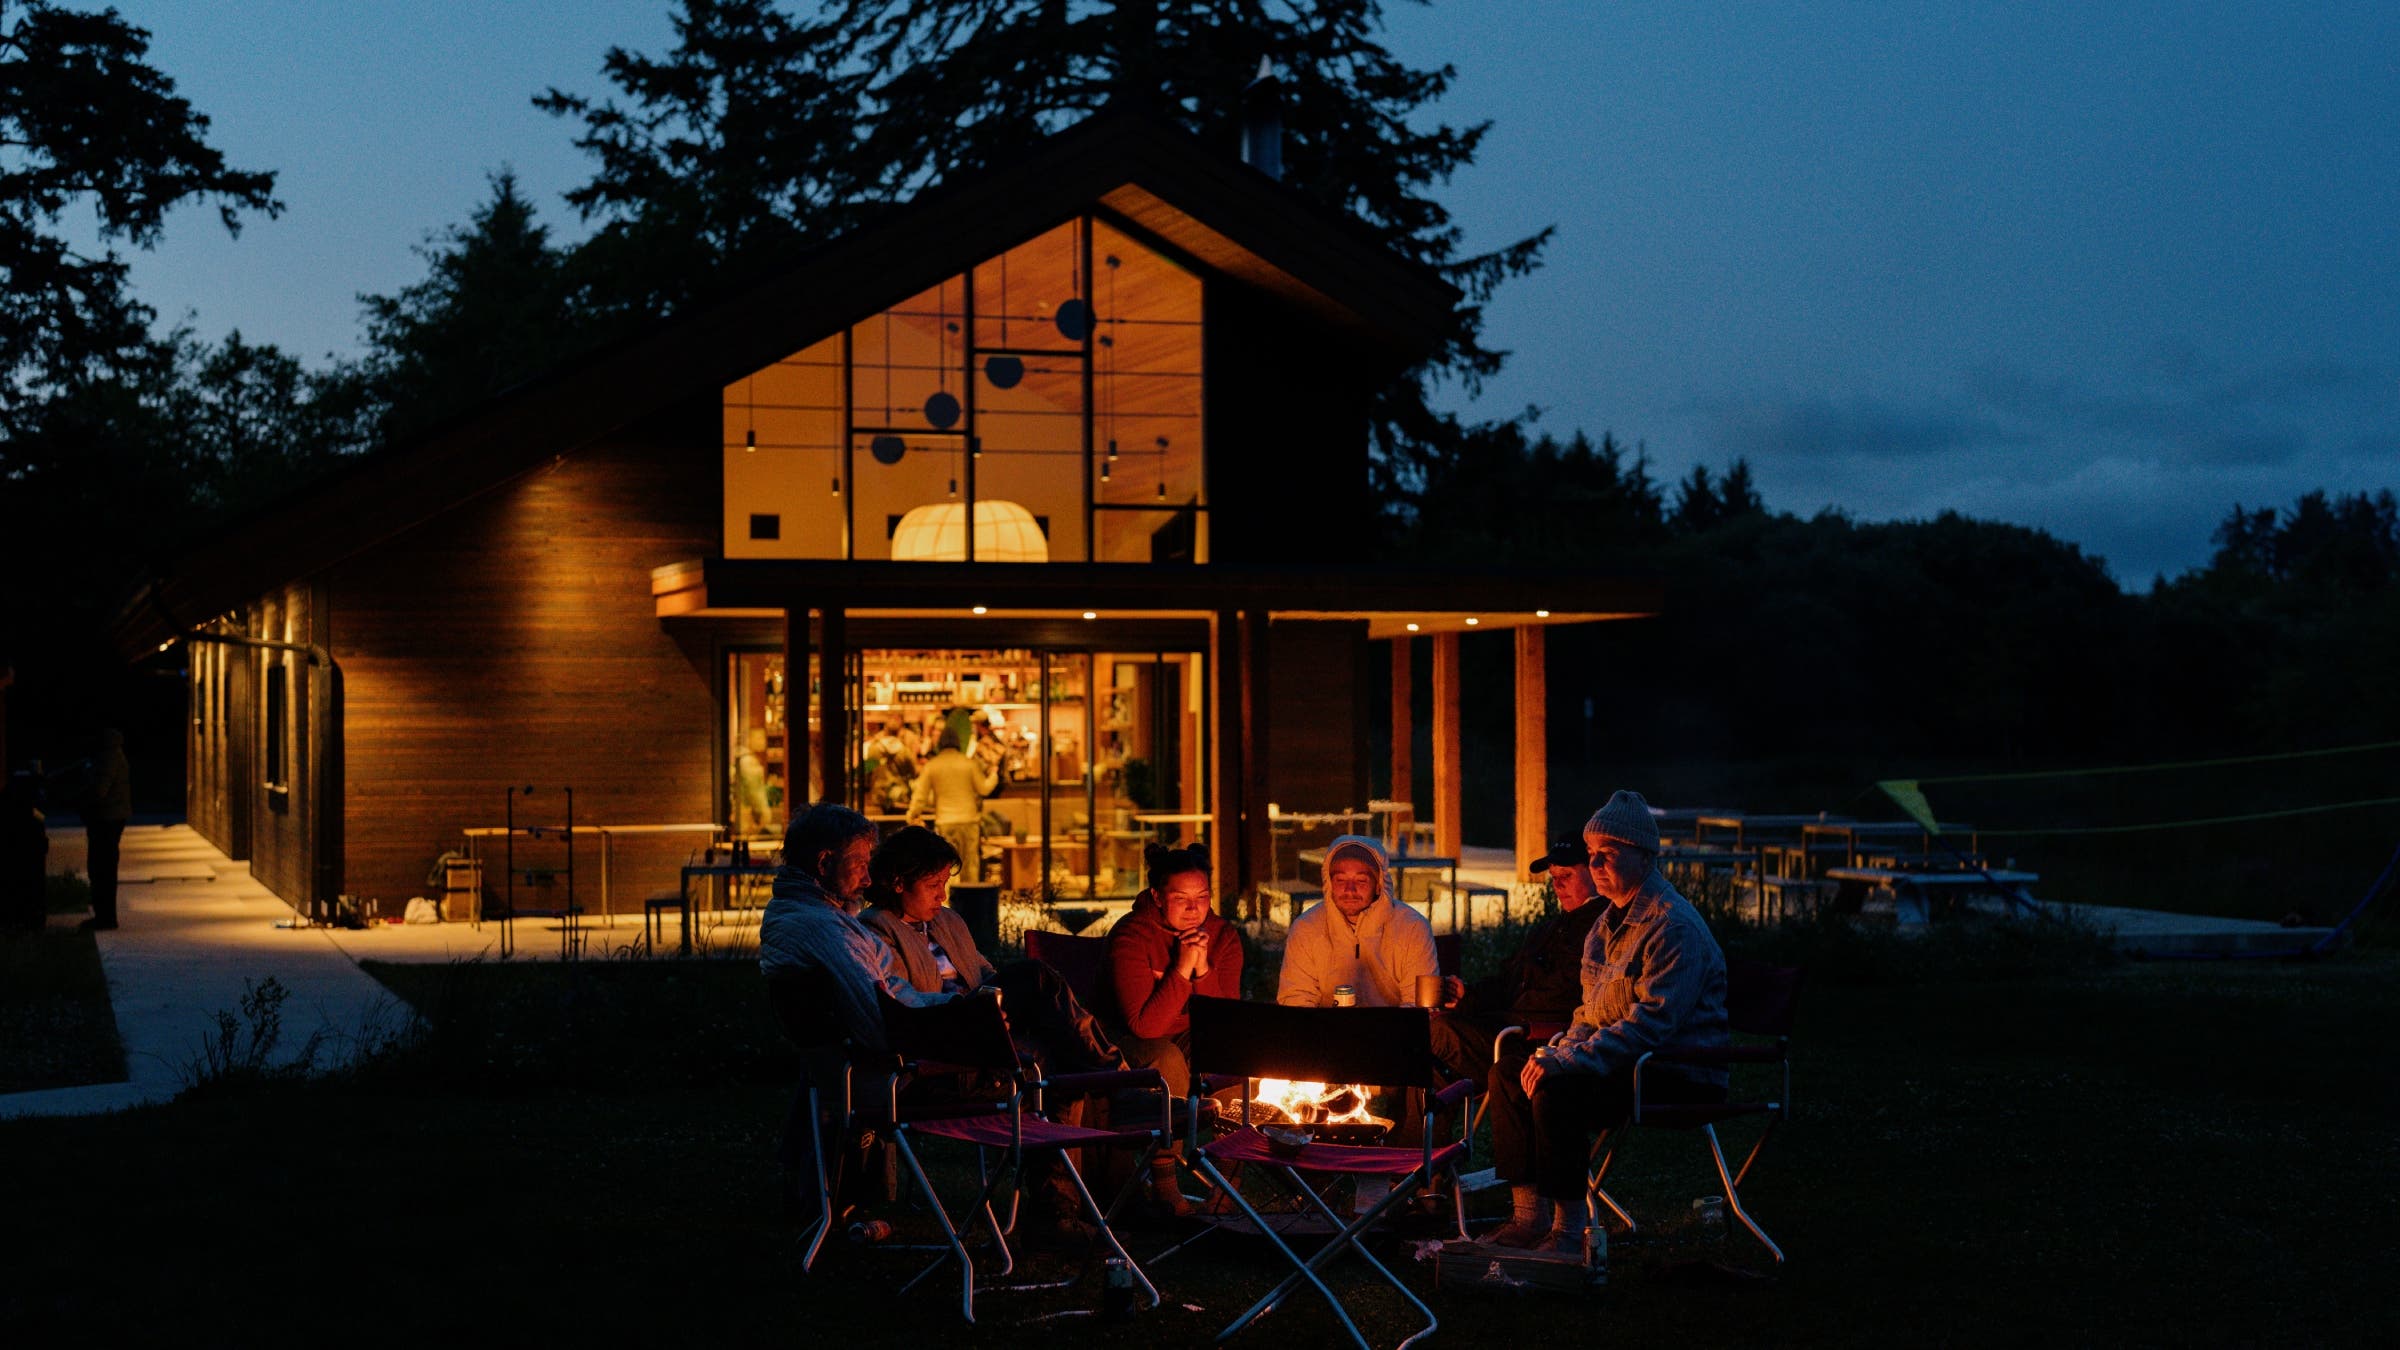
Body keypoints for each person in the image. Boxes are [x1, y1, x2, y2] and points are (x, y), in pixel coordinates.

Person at [1482, 791, 1731, 1254]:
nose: (1594, 865)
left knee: (1559, 1089)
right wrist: (1558, 1052)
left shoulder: (1672, 927)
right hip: (1626, 1064)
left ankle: (1568, 1229)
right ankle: (1528, 1216)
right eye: (1591, 855)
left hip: (1675, 1072)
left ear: (1643, 855)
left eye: (1607, 855)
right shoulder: (1604, 925)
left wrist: (1570, 1063)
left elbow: (1649, 1026)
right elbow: (1588, 1014)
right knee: (1510, 1073)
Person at [1102, 842, 1245, 1215]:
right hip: (1123, 1039)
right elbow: (1144, 1026)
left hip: (1188, 1033)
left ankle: (1228, 1181)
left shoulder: (1223, 936)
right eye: (1181, 898)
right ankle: (1164, 1184)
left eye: (1203, 897)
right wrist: (1181, 969)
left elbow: (1226, 1023)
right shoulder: (1132, 936)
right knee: (1167, 1059)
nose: (1194, 908)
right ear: (1158, 897)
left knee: (1241, 1059)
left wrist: (1204, 971)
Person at [1424, 838, 1604, 1115]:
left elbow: (1564, 995)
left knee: (1431, 1035)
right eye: (1553, 878)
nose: (1557, 886)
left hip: (1536, 1042)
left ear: (1594, 872)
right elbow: (1507, 979)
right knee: (1427, 1066)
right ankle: (1424, 1153)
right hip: (1504, 1029)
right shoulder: (1548, 929)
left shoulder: (1601, 931)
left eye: (1566, 876)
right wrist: (1467, 995)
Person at [1276, 833, 1439, 1009]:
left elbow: (1418, 1004)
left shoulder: (1412, 928)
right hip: (1326, 1033)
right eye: (1340, 880)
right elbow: (1296, 999)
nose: (1350, 889)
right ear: (1329, 882)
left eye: (1361, 880)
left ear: (1379, 884)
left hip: (1391, 1032)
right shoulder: (1307, 929)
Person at [53, 729, 131, 932]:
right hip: (109, 817)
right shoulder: (109, 754)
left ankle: (105, 918)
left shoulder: (108, 756)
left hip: (106, 819)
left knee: (101, 869)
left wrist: (78, 801)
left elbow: (99, 790)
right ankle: (105, 917)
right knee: (103, 869)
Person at [906, 728, 997, 883]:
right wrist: (994, 774)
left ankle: (948, 904)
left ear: (940, 744)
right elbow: (984, 789)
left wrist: (912, 814)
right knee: (970, 866)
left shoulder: (932, 765)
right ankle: (970, 901)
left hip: (945, 822)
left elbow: (920, 796)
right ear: (958, 743)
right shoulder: (968, 764)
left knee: (947, 866)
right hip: (969, 821)